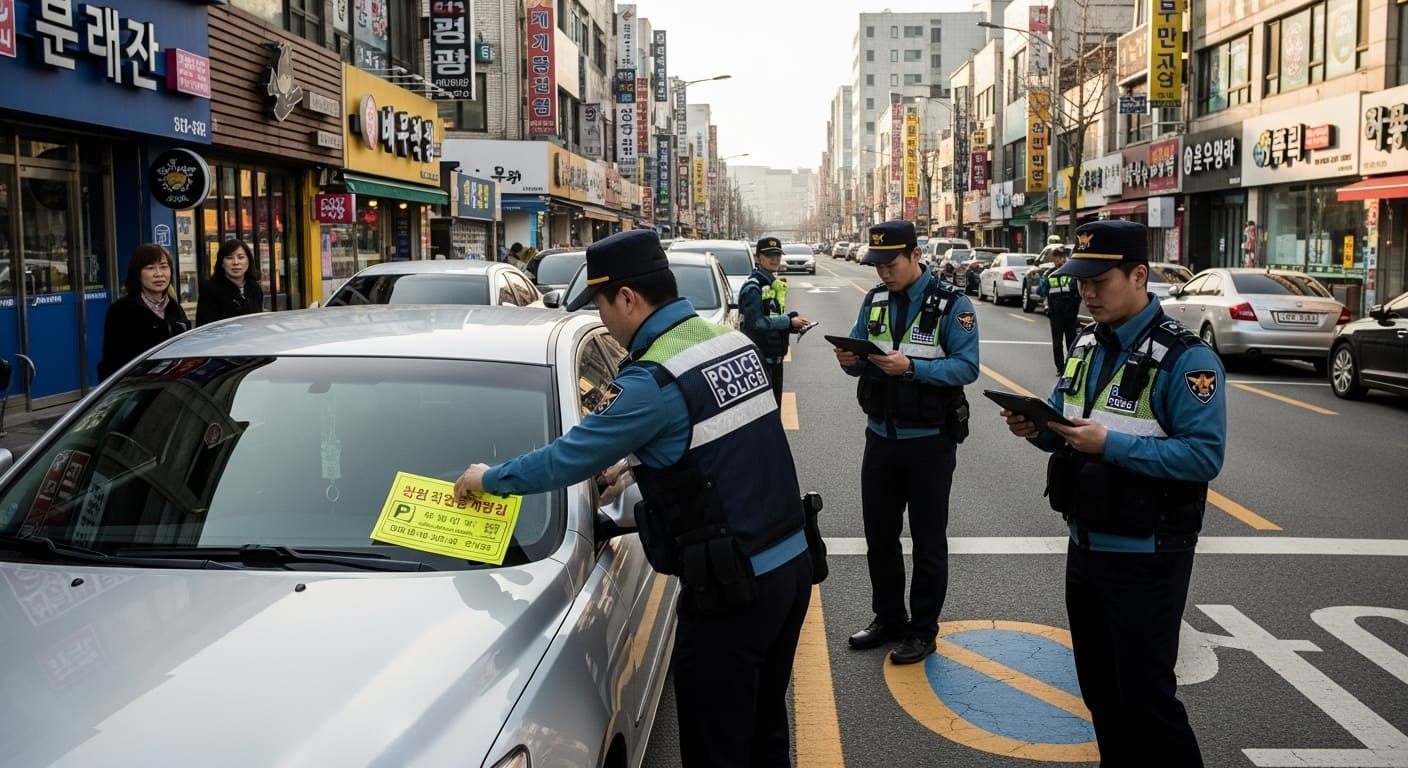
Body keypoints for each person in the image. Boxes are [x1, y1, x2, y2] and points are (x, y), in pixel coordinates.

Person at [453, 229, 812, 767]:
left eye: (599, 307)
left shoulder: (651, 381)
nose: (602, 322)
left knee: (718, 749)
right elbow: (714, 448)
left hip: (735, 592)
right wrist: (635, 465)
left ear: (627, 298)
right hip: (792, 568)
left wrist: (486, 478)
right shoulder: (730, 343)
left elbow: (566, 458)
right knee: (763, 731)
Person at [1000, 220, 1226, 766]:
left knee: (1148, 701)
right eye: (1081, 280)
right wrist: (1039, 430)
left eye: (1100, 280)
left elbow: (1204, 456)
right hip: (1086, 545)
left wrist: (1110, 445)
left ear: (1140, 275)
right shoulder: (1084, 343)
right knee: (1100, 693)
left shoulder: (1186, 359)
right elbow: (1070, 430)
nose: (1087, 292)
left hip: (1148, 552)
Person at [833, 220, 979, 665]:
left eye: (891, 263)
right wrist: (850, 361)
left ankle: (922, 630)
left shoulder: (953, 305)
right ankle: (888, 618)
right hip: (879, 437)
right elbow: (862, 360)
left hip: (929, 443)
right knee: (879, 536)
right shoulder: (874, 299)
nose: (883, 272)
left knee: (928, 539)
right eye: (877, 264)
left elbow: (966, 367)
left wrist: (912, 368)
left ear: (916, 255)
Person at [97, 243, 190, 380]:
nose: (159, 274)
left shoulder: (175, 308)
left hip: (173, 387)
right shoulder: (122, 310)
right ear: (138, 275)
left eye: (164, 267)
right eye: (150, 268)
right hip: (138, 388)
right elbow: (112, 362)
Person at [739, 236, 811, 404]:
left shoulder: (772, 285)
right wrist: (787, 321)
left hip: (774, 359)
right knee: (763, 412)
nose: (775, 259)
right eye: (769, 255)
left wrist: (793, 323)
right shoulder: (754, 287)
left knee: (773, 409)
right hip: (759, 362)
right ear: (758, 258)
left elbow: (771, 318)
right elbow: (754, 322)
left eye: (778, 255)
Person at [196, 239, 263, 326]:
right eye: (229, 258)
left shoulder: (255, 288)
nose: (236, 262)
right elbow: (205, 327)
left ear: (248, 261)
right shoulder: (210, 289)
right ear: (222, 263)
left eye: (241, 257)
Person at [1038, 244, 1080, 373]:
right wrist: (1047, 305)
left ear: (1065, 258)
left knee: (1071, 341)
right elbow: (1042, 291)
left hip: (1070, 313)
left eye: (1061, 258)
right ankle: (1060, 368)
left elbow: (1078, 292)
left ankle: (1071, 367)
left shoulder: (1071, 273)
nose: (1059, 260)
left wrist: (1074, 307)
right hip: (1055, 313)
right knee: (1057, 342)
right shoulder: (1049, 275)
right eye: (1056, 258)